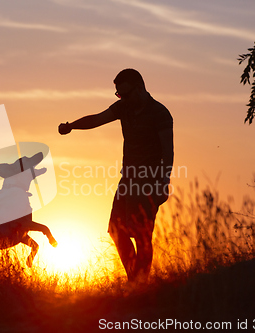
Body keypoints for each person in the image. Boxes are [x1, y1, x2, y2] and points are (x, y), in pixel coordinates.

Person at [58, 68, 173, 282]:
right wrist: (71, 126)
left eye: (126, 94)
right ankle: (135, 280)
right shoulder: (124, 108)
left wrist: (163, 183)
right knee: (115, 229)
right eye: (119, 95)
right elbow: (97, 119)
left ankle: (140, 285)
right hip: (128, 180)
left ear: (139, 88)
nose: (122, 99)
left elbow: (168, 151)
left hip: (149, 180)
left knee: (142, 236)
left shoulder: (159, 113)